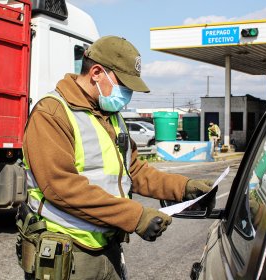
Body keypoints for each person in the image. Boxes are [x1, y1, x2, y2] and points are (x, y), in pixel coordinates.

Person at [22, 35, 215, 280]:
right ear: (96, 73)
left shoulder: (110, 115)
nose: (127, 94)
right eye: (123, 85)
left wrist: (184, 188)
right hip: (68, 254)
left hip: (108, 246)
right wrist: (135, 216)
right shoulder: (51, 113)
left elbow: (133, 169)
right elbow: (61, 186)